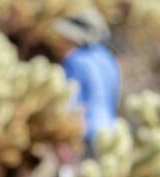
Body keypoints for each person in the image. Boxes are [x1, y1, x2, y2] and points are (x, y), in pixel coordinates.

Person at [48, 9, 121, 154]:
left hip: (85, 133)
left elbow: (70, 99)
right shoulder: (108, 59)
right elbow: (115, 96)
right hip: (109, 132)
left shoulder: (75, 60)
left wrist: (63, 136)